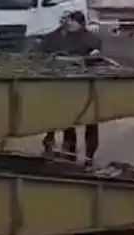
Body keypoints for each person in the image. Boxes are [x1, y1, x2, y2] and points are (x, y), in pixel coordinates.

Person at [39, 11, 102, 165]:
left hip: (85, 84)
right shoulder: (57, 36)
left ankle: (89, 155)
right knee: (68, 119)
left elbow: (96, 55)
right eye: (66, 21)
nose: (68, 24)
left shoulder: (89, 38)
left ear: (79, 23)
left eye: (71, 21)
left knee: (90, 120)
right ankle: (69, 152)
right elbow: (44, 49)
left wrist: (92, 57)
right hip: (65, 84)